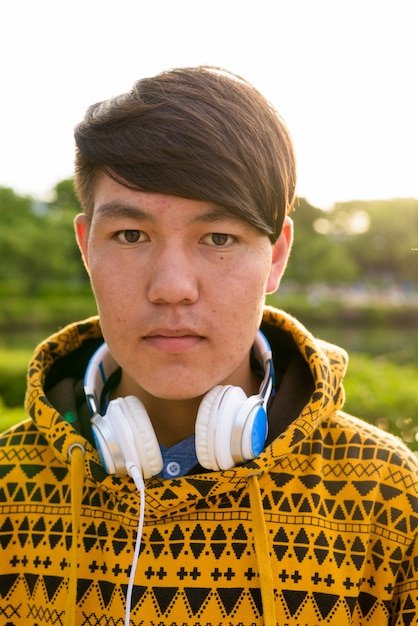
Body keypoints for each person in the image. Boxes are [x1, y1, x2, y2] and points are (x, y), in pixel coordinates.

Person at [0, 66, 417, 626]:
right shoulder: (7, 488)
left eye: (219, 238)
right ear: (85, 246)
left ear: (275, 256)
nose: (172, 287)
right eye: (131, 235)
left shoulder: (390, 503)